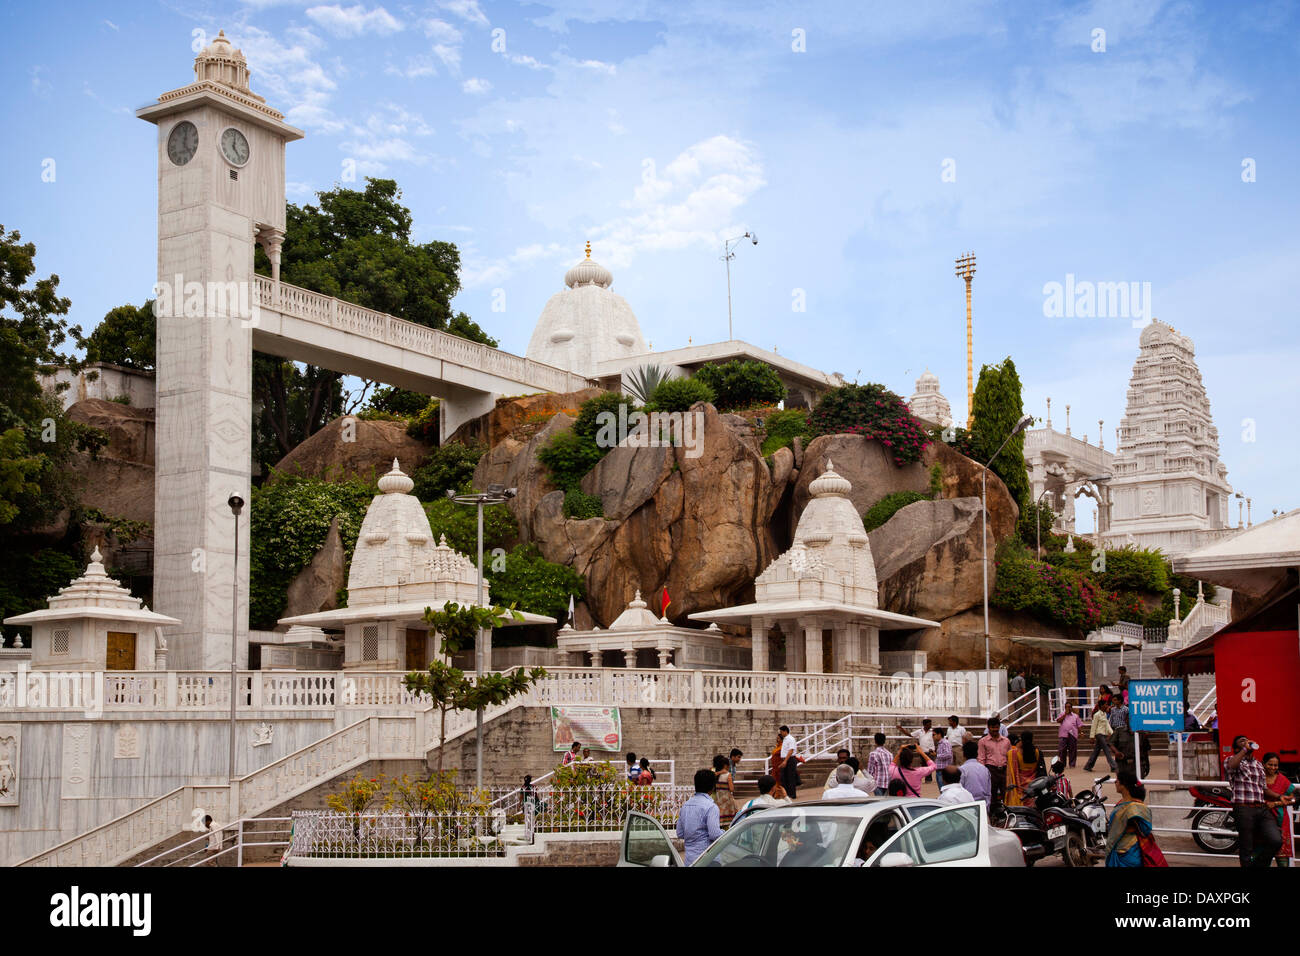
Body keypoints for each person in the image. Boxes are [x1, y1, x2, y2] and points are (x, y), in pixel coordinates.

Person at [1225, 734, 1283, 868]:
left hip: (1261, 808)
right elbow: (1233, 765)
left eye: (1247, 740)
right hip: (1243, 808)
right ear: (1235, 748)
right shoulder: (1231, 760)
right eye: (1242, 741)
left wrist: (1279, 797)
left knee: (1275, 840)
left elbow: (1264, 788)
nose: (1246, 742)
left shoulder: (1258, 764)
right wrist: (1244, 750)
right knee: (1247, 847)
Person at [1105, 770, 1154, 867]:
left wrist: (1108, 851)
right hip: (1134, 850)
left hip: (1123, 852)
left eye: (1117, 780)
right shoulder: (1140, 806)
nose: (1115, 782)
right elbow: (1146, 830)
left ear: (1124, 785)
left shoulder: (1125, 809)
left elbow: (1113, 835)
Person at [677, 769, 723, 865]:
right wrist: (725, 833)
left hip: (690, 860)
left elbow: (680, 833)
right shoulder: (711, 807)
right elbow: (714, 834)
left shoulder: (685, 806)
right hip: (708, 860)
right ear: (712, 787)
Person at [1261, 752, 1296, 867]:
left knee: (1282, 857)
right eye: (1270, 764)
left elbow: (1293, 800)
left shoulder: (1283, 780)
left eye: (1275, 765)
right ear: (1263, 764)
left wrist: (1275, 803)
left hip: (1281, 820)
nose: (1273, 768)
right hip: (1261, 819)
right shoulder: (1259, 779)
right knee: (1262, 854)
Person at [978, 716, 1013, 806]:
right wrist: (983, 773)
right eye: (992, 727)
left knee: (1006, 794)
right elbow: (981, 758)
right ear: (988, 727)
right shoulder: (983, 741)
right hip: (991, 770)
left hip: (1004, 770)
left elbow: (1010, 757)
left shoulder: (1006, 741)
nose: (995, 730)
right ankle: (993, 816)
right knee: (991, 795)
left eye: (997, 727)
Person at [1004, 731, 1044, 807]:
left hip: (1020, 785)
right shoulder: (1037, 752)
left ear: (1021, 740)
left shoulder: (1014, 753)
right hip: (1033, 784)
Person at [1083, 698, 1118, 773]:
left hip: (1104, 734)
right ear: (1102, 705)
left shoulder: (1105, 714)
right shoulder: (1097, 715)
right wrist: (1092, 737)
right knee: (1106, 750)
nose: (1107, 705)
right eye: (1105, 704)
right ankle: (1113, 766)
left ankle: (1088, 766)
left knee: (1096, 751)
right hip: (1099, 734)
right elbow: (1094, 726)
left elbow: (1107, 725)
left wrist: (1112, 733)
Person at [959, 740, 992, 807]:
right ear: (977, 753)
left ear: (964, 754)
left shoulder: (962, 770)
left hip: (968, 807)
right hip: (983, 806)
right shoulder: (985, 769)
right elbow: (988, 792)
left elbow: (960, 791)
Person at [1109, 694, 1133, 771]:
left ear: (1120, 700)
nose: (1113, 701)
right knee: (1112, 744)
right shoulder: (1113, 709)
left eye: (1115, 700)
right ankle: (1118, 761)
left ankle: (1124, 761)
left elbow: (1128, 719)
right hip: (1115, 729)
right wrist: (1110, 729)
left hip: (1123, 729)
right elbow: (1111, 719)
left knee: (1123, 745)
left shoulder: (1126, 709)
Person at [1056, 702, 1083, 769]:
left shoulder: (1075, 716)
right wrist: (1065, 714)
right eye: (1066, 707)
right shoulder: (1062, 714)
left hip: (1073, 735)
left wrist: (1081, 732)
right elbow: (1058, 721)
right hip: (1063, 734)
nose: (1068, 708)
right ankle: (1063, 764)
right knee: (1062, 750)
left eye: (1069, 707)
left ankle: (1072, 764)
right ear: (1065, 708)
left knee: (1073, 750)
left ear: (1071, 708)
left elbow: (1079, 725)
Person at [712, 755, 736, 824]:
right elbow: (731, 789)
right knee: (729, 823)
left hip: (717, 799)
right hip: (727, 801)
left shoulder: (714, 773)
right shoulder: (728, 775)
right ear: (725, 765)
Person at [768, 733, 789, 800]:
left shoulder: (783, 747)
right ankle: (776, 794)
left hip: (779, 766)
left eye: (779, 739)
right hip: (775, 767)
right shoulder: (777, 747)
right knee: (774, 781)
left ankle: (779, 794)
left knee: (779, 781)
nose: (777, 740)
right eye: (777, 739)